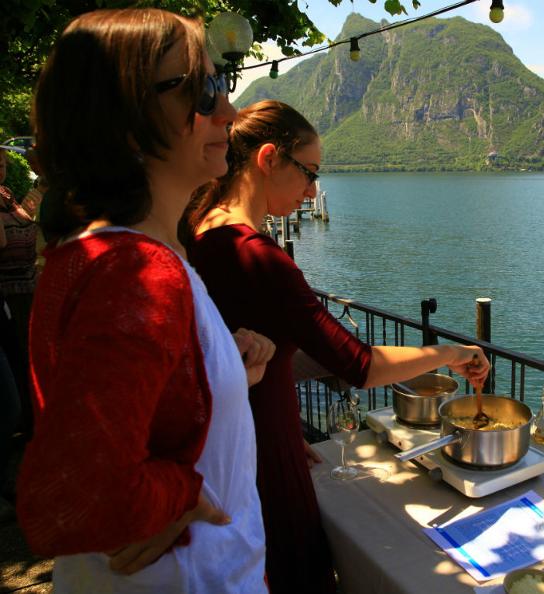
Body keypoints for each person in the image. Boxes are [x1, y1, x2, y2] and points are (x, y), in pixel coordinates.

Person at [181, 99, 491, 594]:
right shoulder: (259, 257)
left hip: (236, 444)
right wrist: (453, 353)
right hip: (260, 464)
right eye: (309, 173)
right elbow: (360, 365)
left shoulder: (200, 230)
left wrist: (283, 425)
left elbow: (242, 355)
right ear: (268, 159)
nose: (312, 191)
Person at [16, 9, 275, 593]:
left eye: (221, 84)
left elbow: (131, 406)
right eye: (200, 91)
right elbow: (73, 502)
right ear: (126, 120)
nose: (228, 111)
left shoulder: (99, 255)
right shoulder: (136, 273)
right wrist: (181, 496)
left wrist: (217, 369)